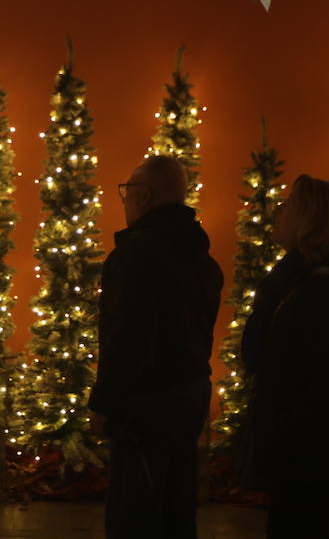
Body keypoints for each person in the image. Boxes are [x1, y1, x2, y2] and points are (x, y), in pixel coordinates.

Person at [88, 154, 224, 539]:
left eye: (128, 192)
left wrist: (104, 403)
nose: (125, 201)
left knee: (135, 513)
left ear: (145, 195)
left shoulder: (136, 256)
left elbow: (125, 338)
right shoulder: (202, 257)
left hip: (144, 408)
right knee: (177, 509)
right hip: (190, 397)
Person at [240, 175, 329, 539]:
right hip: (309, 460)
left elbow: (267, 360)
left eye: (291, 201)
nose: (279, 209)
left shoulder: (318, 291)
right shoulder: (308, 284)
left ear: (311, 219)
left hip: (310, 463)